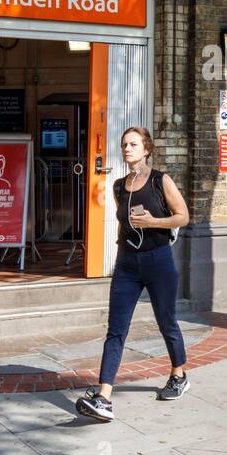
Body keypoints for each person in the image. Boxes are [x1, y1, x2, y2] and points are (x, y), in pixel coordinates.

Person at [77, 127, 191, 423]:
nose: (127, 149)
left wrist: (154, 222)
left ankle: (178, 374)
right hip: (127, 263)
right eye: (124, 144)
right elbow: (124, 222)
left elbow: (183, 216)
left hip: (158, 259)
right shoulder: (117, 186)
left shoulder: (159, 180)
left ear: (146, 149)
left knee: (166, 321)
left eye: (133, 144)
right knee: (116, 329)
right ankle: (104, 396)